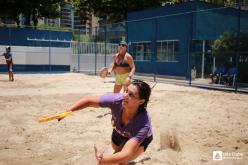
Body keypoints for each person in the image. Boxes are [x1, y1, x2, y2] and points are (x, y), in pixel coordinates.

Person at [63, 80, 153, 165]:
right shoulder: (116, 100)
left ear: (141, 101)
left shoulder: (143, 124)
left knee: (121, 161)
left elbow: (126, 153)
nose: (125, 95)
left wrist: (104, 160)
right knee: (117, 154)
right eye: (126, 91)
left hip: (140, 140)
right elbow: (88, 101)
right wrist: (67, 111)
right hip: (119, 132)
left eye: (131, 95)